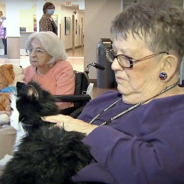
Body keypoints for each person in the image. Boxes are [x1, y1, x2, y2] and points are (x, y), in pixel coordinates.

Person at [43, 0, 184, 183]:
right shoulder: (105, 100)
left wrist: (90, 131)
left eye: (126, 58)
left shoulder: (177, 116)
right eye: (115, 54)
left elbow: (157, 172)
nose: (115, 65)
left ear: (166, 65)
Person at [24, 31, 75, 109]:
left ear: (52, 53)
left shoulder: (63, 68)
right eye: (31, 49)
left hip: (58, 115)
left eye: (39, 51)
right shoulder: (27, 71)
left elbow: (62, 104)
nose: (32, 55)